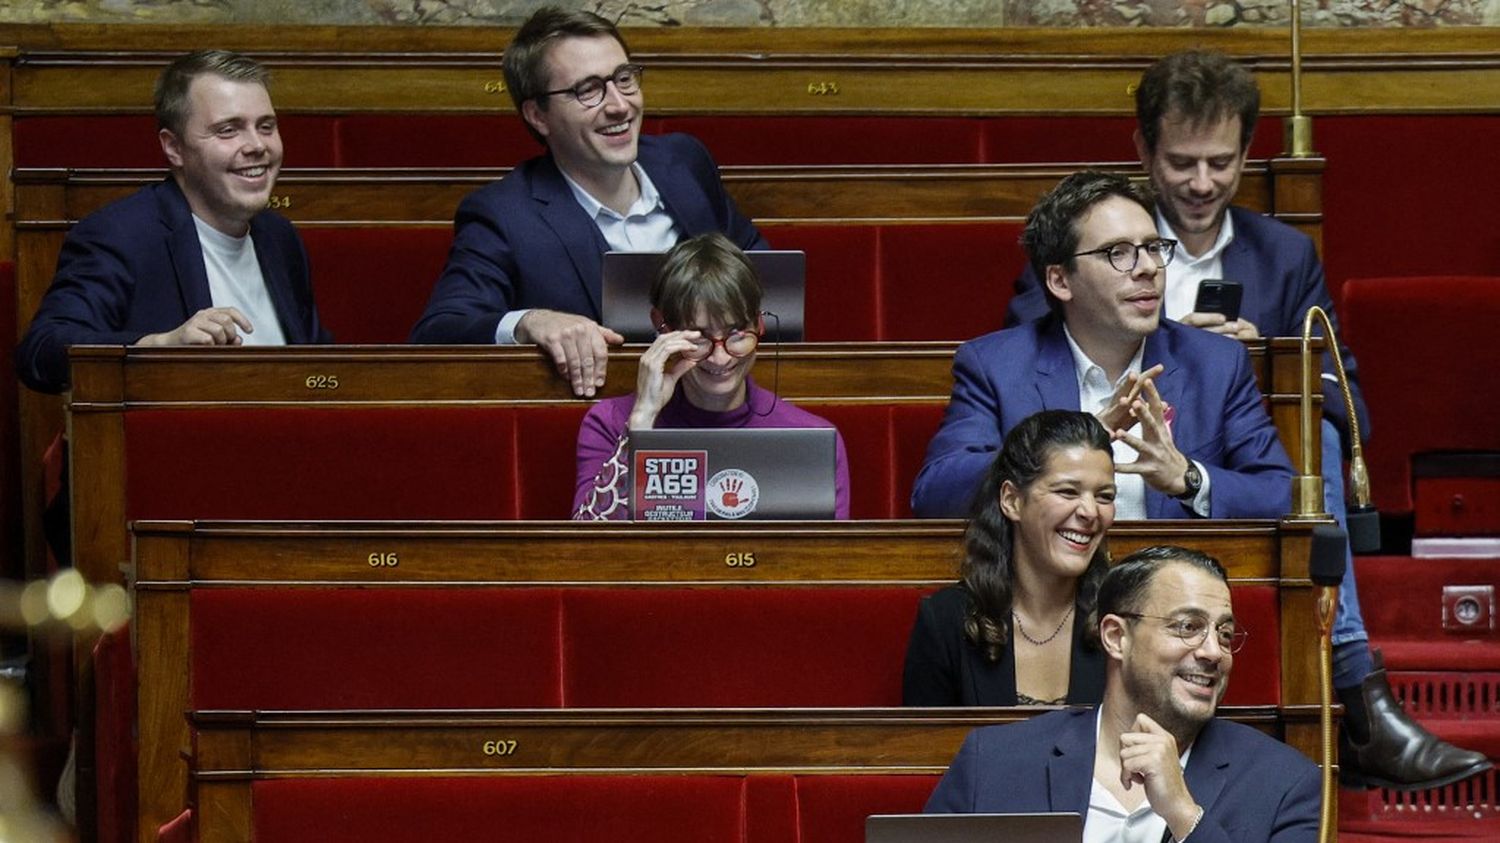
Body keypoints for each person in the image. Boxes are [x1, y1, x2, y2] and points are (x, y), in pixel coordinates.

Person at [1008, 51, 1487, 792]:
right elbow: (1033, 353)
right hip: (1115, 454)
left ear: (1247, 153)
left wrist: (1263, 356)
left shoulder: (1283, 254)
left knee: (1316, 434)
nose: (1202, 185)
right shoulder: (1100, 241)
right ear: (1143, 151)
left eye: (1222, 164)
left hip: (1229, 449)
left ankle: (1352, 681)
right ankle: (1357, 695)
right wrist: (1157, 338)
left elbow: (1343, 390)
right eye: (1181, 163)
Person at [410, 6, 767, 399]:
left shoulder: (685, 161)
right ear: (537, 115)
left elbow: (760, 268)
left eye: (624, 79)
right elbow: (439, 330)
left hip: (727, 401)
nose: (619, 105)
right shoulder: (503, 214)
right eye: (588, 90)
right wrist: (530, 321)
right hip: (597, 422)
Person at [911, 170, 1293, 523]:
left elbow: (1282, 495)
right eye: (1118, 252)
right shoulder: (996, 367)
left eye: (1153, 247)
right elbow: (936, 494)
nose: (1147, 267)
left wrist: (1187, 478)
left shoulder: (1216, 364)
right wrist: (1069, 445)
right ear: (1061, 281)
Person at [926, 545, 1321, 843]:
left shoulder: (1285, 784)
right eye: (1188, 627)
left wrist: (1185, 815)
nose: (1213, 652)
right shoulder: (994, 761)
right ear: (1116, 637)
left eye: (1224, 634)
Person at [16, 49, 330, 394]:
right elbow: (41, 351)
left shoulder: (279, 237)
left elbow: (314, 361)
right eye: (228, 130)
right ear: (174, 148)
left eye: (266, 127)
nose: (257, 145)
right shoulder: (121, 236)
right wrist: (160, 346)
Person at [572, 232, 848, 520]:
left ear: (760, 324)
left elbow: (827, 559)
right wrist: (641, 424)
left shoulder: (810, 438)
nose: (721, 358)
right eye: (700, 338)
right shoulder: (610, 422)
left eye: (737, 335)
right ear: (663, 328)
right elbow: (589, 547)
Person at [904, 410, 1116, 707]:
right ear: (1012, 500)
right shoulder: (945, 621)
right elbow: (925, 749)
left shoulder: (1125, 618)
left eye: (1105, 496)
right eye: (1068, 492)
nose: (1091, 512)